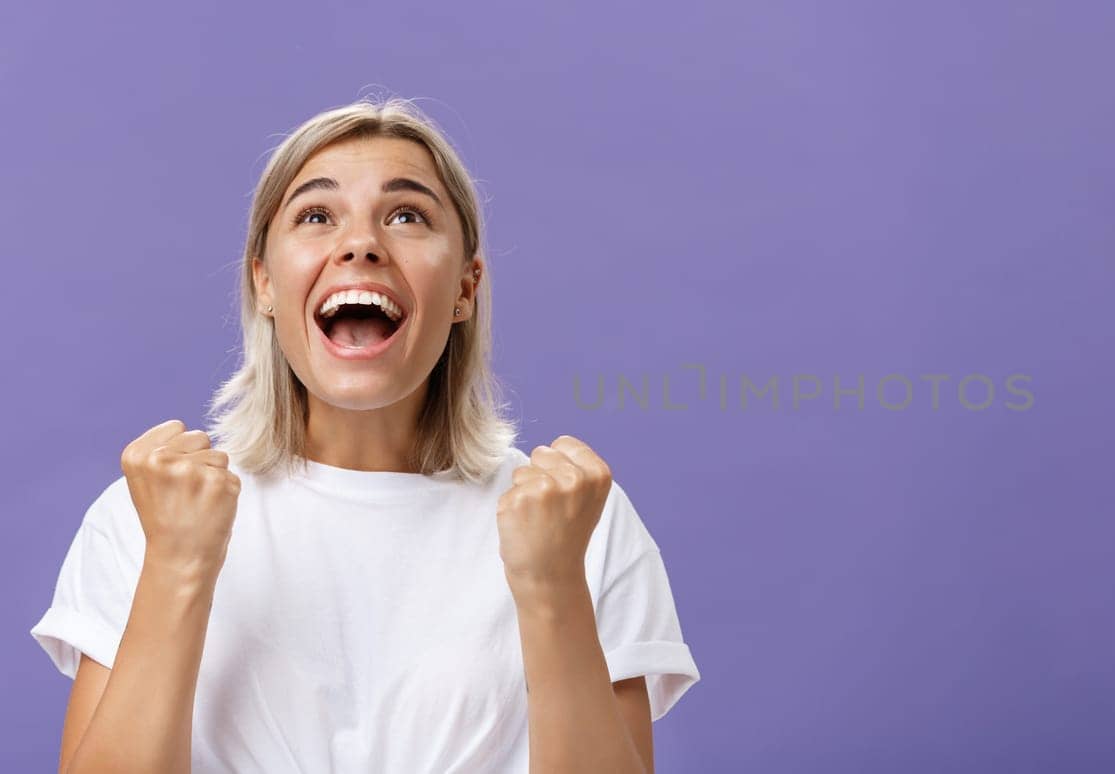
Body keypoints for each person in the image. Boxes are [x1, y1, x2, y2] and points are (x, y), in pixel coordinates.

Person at [28, 96, 700, 773]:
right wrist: (175, 565)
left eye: (407, 215)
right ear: (264, 282)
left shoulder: (583, 523)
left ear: (466, 289)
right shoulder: (145, 518)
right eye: (316, 216)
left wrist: (553, 584)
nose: (361, 244)